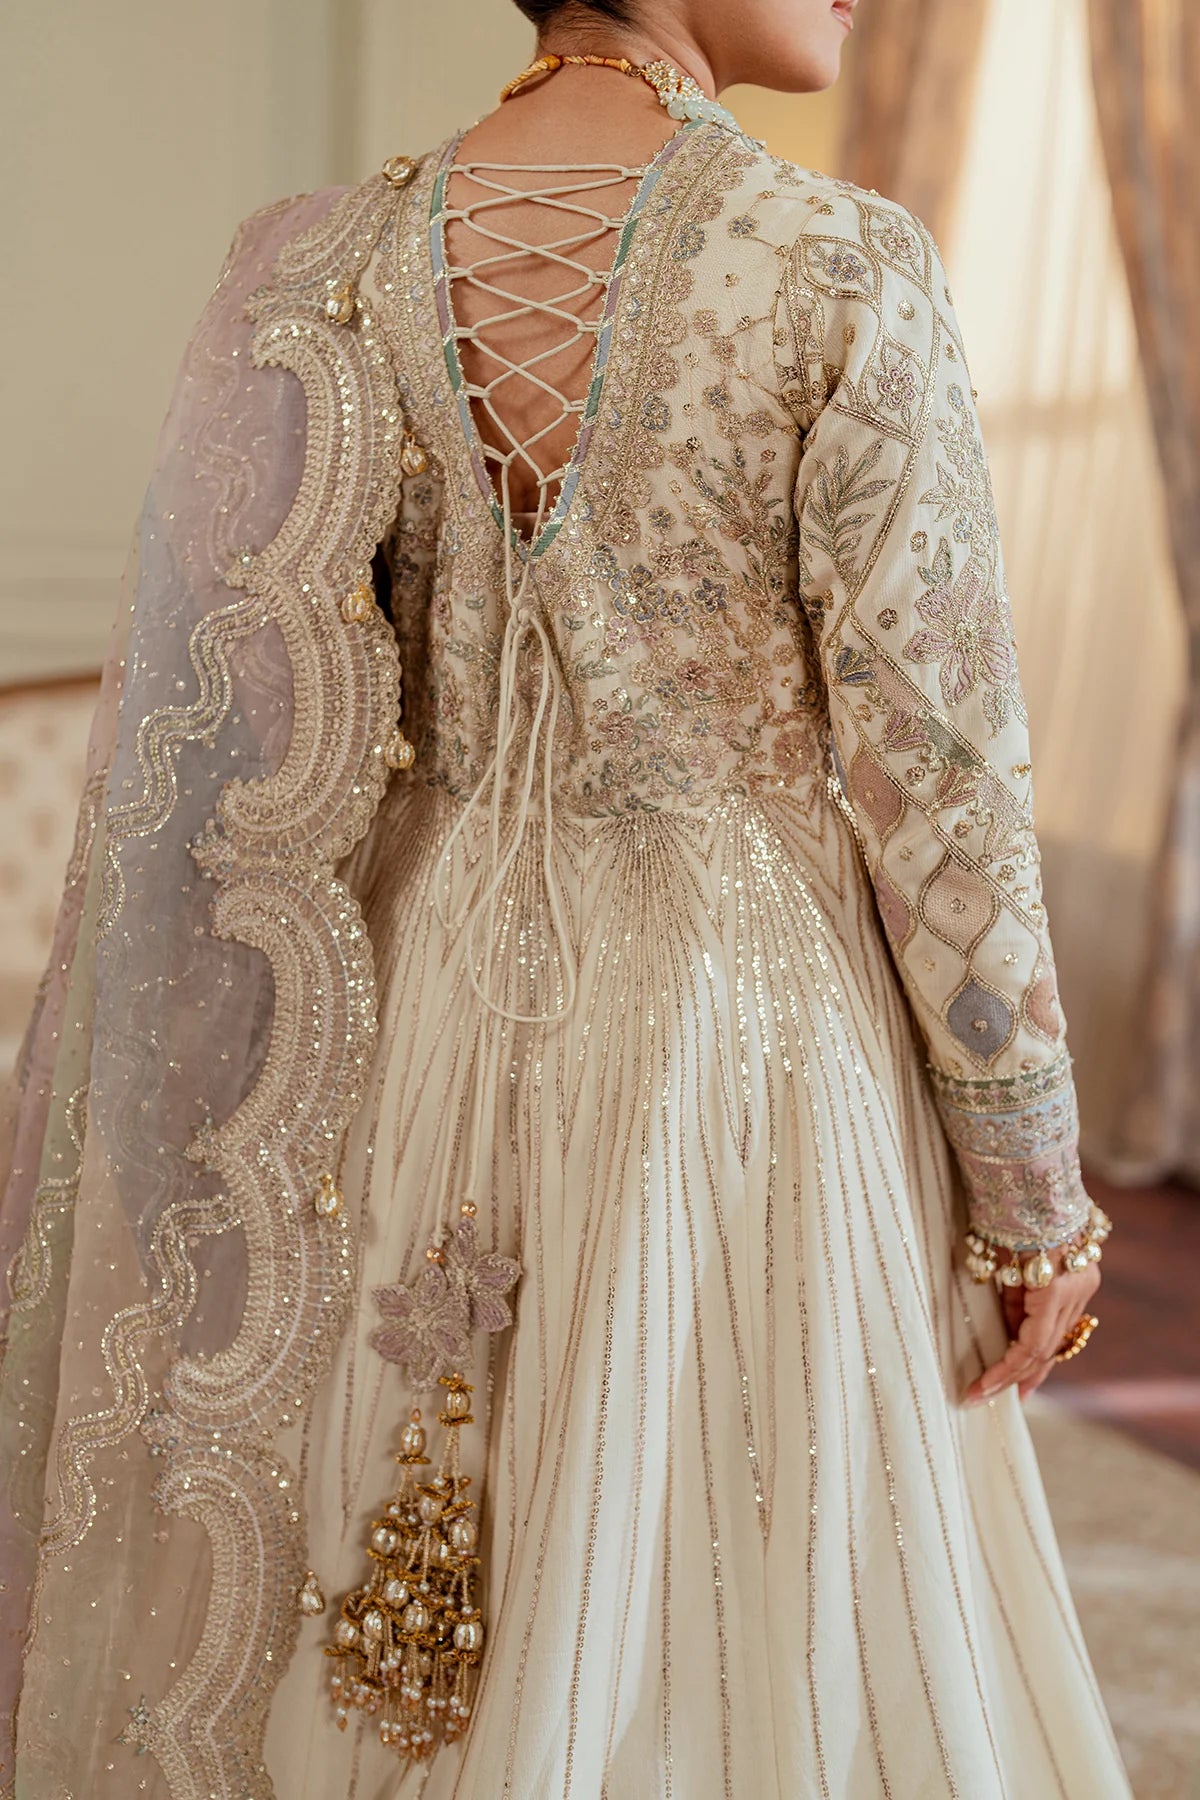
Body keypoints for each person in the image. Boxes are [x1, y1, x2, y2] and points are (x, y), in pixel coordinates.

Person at [0, 0, 1133, 1794]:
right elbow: (941, 775)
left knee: (410, 1515)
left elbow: (235, 736)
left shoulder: (335, 259)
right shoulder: (838, 263)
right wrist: (1031, 1192)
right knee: (745, 1558)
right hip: (733, 1025)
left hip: (404, 986)